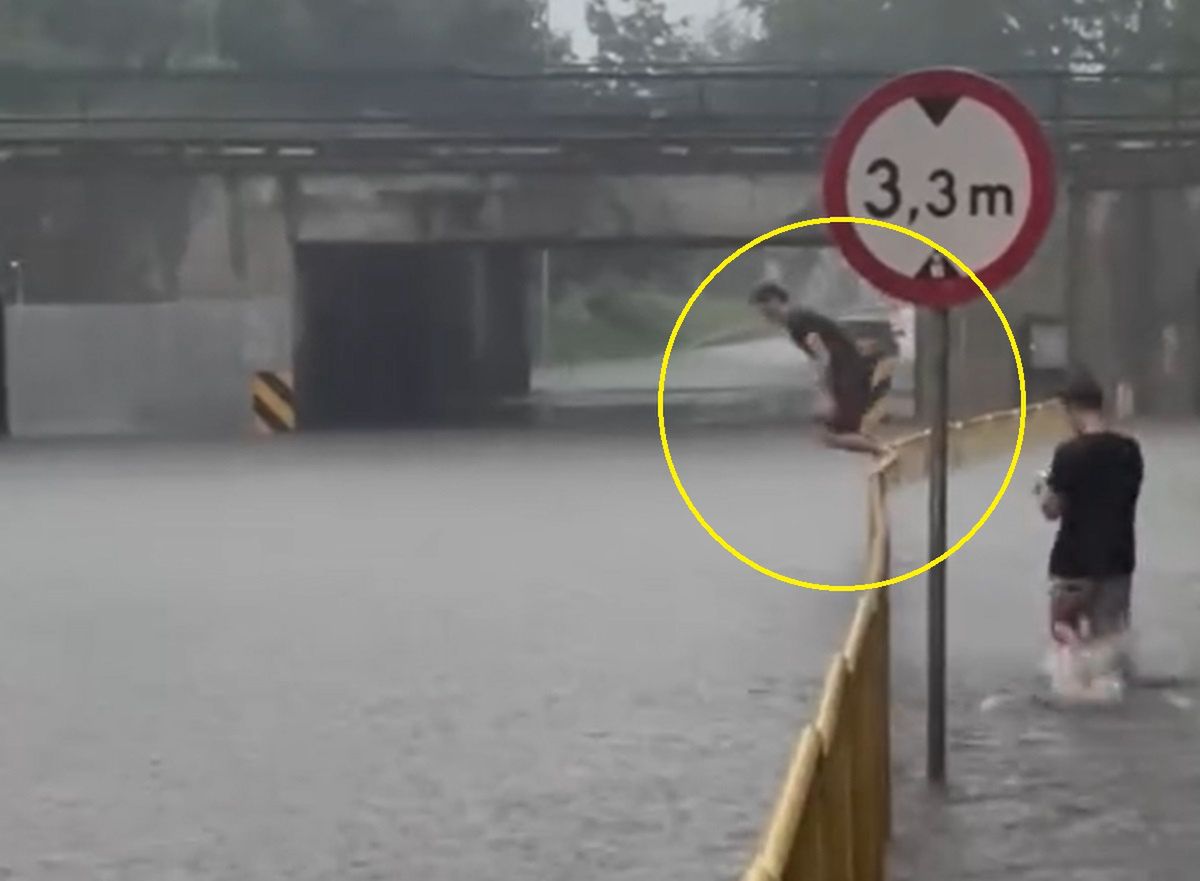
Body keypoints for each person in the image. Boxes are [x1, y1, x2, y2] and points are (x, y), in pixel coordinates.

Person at [1036, 373, 1143, 674]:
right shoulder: (1129, 451)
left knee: (1065, 640)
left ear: (1071, 409)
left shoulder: (1069, 453)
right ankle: (1109, 689)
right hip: (1117, 563)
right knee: (1109, 646)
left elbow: (1053, 510)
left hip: (1073, 564)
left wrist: (1044, 491)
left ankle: (1074, 691)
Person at [750, 282, 889, 456]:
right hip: (846, 372)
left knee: (831, 434)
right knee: (833, 433)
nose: (766, 317)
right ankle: (882, 450)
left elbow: (822, 355)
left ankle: (885, 451)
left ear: (775, 301)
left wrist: (825, 393)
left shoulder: (797, 321)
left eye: (766, 312)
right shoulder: (799, 318)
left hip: (846, 375)